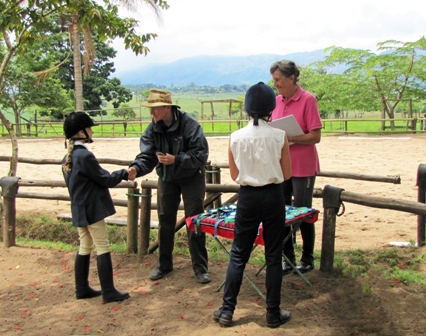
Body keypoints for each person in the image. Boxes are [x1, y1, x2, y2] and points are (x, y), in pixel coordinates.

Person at [213, 82, 292, 328]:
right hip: (273, 197)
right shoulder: (280, 136)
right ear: (271, 109)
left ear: (247, 109)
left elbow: (235, 175)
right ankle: (272, 314)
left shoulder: (235, 137)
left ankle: (227, 311)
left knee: (238, 254)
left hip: (247, 197)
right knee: (273, 255)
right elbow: (287, 173)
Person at [127, 89, 210, 284]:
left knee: (194, 221)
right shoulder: (152, 128)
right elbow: (147, 155)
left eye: (155, 108)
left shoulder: (190, 124)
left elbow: (201, 155)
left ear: (167, 107)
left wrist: (177, 159)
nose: (152, 113)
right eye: (150, 109)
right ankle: (164, 265)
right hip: (166, 177)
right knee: (165, 219)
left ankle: (200, 267)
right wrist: (136, 169)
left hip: (191, 177)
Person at [62, 112, 130, 303]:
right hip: (92, 209)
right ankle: (109, 291)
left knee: (85, 245)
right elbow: (104, 179)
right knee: (102, 246)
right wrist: (124, 173)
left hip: (79, 209)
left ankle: (81, 288)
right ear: (81, 132)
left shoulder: (68, 157)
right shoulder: (85, 156)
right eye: (89, 128)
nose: (92, 131)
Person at [269, 60, 322, 275]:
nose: (276, 84)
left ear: (292, 78)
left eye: (279, 79)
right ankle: (287, 258)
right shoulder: (276, 101)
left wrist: (292, 137)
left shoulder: (308, 99)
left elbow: (315, 136)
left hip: (303, 166)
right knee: (281, 212)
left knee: (303, 212)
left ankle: (307, 259)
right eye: (274, 80)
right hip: (282, 166)